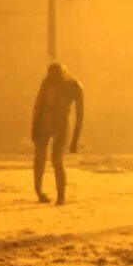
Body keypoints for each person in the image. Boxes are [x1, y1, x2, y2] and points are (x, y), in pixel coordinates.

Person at [31, 62, 85, 205]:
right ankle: (39, 191)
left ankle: (61, 196)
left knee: (57, 160)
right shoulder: (47, 83)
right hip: (44, 123)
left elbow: (80, 116)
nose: (54, 79)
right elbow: (39, 104)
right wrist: (34, 128)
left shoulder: (74, 87)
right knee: (40, 159)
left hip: (61, 125)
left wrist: (75, 140)